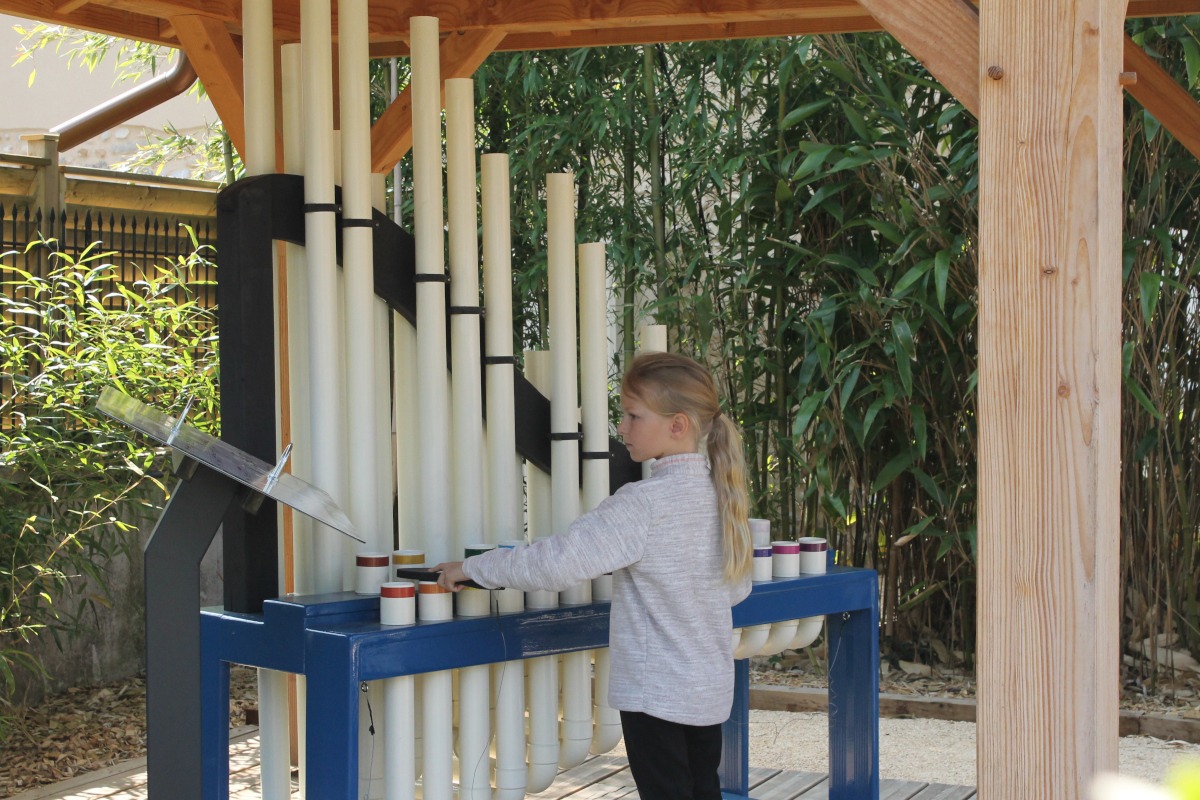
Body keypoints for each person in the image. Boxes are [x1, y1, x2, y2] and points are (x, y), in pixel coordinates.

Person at [433, 351, 753, 800]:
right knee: (704, 792)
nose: (621, 427)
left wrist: (472, 567)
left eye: (632, 415)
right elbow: (737, 590)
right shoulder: (721, 496)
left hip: (655, 697)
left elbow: (558, 562)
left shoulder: (643, 504)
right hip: (708, 691)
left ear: (677, 425)